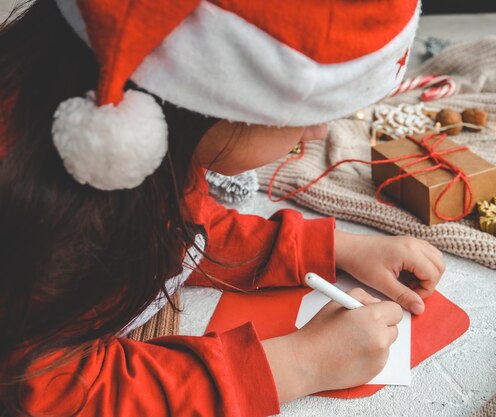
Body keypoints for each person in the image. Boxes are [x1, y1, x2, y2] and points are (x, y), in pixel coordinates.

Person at [0, 0, 444, 416]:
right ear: (204, 98)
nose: (317, 134)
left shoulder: (147, 158)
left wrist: (333, 248)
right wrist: (298, 364)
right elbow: (56, 394)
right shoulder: (48, 226)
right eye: (303, 113)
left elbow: (185, 230)